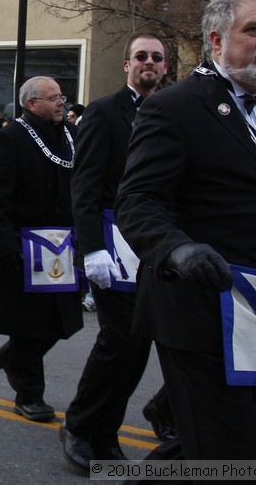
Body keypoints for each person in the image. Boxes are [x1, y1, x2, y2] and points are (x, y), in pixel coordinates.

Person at [116, 0, 256, 460]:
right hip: (200, 308)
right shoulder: (175, 107)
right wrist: (179, 249)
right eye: (254, 29)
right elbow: (137, 201)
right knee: (228, 452)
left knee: (216, 443)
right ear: (217, 40)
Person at [59, 33, 175, 470]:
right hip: (113, 242)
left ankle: (105, 434)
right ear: (127, 64)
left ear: (165, 67)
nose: (149, 62)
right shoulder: (106, 113)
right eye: (141, 56)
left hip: (158, 244)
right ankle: (82, 425)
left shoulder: (174, 112)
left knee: (138, 345)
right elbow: (85, 185)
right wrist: (92, 249)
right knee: (119, 341)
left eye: (157, 58)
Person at [0, 76, 82, 422]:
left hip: (64, 246)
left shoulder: (72, 137)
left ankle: (11, 357)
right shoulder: (10, 139)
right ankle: (29, 393)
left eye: (62, 97)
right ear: (31, 103)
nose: (61, 103)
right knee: (29, 325)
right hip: (24, 246)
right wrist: (4, 244)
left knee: (62, 320)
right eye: (52, 98)